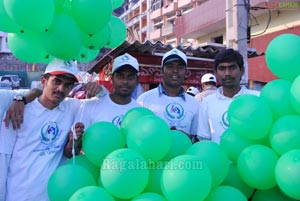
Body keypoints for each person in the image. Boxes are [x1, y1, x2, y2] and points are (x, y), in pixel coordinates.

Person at [2, 58, 85, 201]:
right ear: (44, 81)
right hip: (19, 195)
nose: (61, 89)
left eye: (67, 85)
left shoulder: (71, 108)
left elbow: (99, 100)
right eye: (57, 81)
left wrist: (98, 88)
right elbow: (3, 158)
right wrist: (20, 99)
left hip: (53, 196)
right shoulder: (18, 112)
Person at [197, 48, 260, 144]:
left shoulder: (257, 99)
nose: (227, 73)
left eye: (232, 68)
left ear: (242, 71)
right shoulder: (207, 103)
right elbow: (204, 140)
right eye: (222, 69)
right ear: (215, 73)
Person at [137, 48, 200, 142]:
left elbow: (198, 138)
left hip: (184, 156)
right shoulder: (144, 100)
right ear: (162, 70)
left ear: (186, 72)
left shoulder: (194, 103)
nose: (175, 70)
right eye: (170, 66)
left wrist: (189, 138)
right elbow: (138, 135)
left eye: (180, 67)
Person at [74, 53, 140, 129]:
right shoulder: (90, 106)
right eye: (120, 76)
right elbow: (76, 138)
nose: (125, 81)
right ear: (111, 79)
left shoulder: (140, 112)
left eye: (130, 77)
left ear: (137, 81)